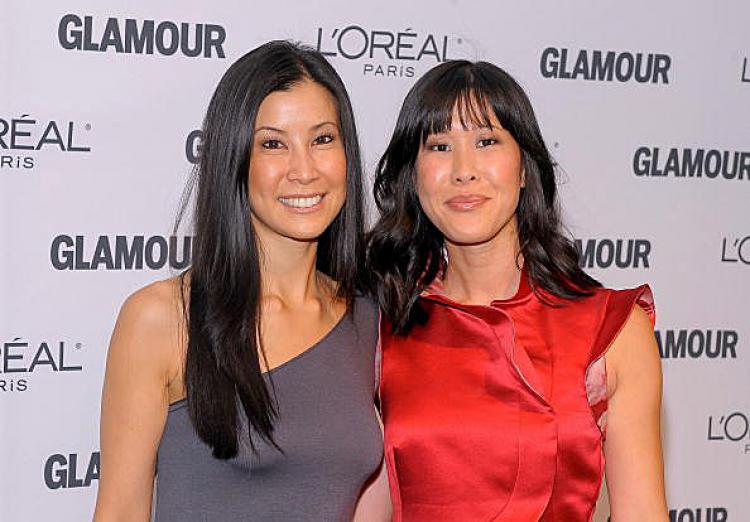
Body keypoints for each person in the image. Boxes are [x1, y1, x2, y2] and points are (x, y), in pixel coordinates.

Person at [94, 41, 389, 522]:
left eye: (322, 139)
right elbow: (121, 511)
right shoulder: (163, 318)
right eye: (273, 143)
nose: (304, 170)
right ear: (235, 159)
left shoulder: (367, 320)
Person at [367, 60, 668, 521]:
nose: (464, 170)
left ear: (525, 167)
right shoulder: (381, 324)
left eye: (487, 141)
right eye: (440, 146)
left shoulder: (610, 329)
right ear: (414, 176)